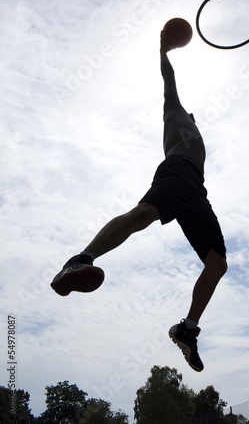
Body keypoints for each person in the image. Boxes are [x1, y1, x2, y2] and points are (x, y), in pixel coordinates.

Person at [51, 30, 227, 372]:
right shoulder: (174, 113)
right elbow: (169, 79)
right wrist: (164, 50)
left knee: (217, 264)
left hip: (196, 190)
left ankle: (187, 331)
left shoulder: (198, 135)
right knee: (145, 213)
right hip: (175, 172)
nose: (194, 117)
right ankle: (79, 259)